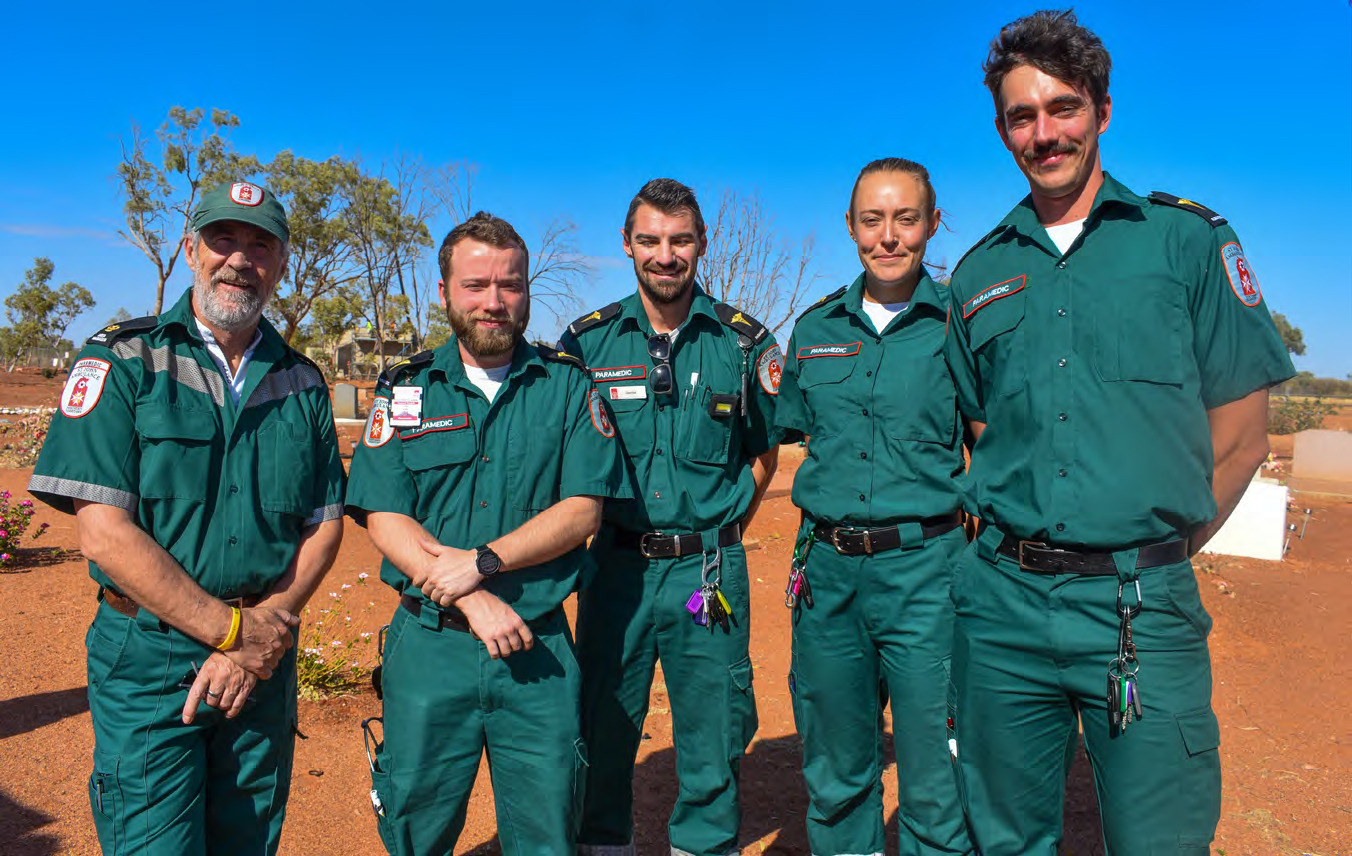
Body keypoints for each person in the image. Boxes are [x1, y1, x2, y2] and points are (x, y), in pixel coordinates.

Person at [942, 11, 1297, 854]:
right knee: (1004, 838)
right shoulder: (980, 271)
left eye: (1062, 108)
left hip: (1143, 608)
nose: (1043, 132)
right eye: (1021, 117)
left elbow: (1243, 437)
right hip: (1001, 607)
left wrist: (1149, 554)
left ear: (1101, 110)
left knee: (1160, 839)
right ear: (1001, 131)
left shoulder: (1186, 241)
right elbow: (987, 430)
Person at [29, 181, 346, 853]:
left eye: (260, 245)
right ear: (188, 250)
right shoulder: (122, 360)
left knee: (248, 840)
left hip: (264, 655)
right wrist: (233, 633)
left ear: (282, 263)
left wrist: (261, 636)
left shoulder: (304, 381)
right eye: (222, 239)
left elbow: (324, 525)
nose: (240, 259)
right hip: (151, 659)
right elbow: (104, 533)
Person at [344, 212, 629, 855]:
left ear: (527, 290)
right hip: (429, 645)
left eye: (510, 285)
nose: (494, 302)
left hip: (536, 646)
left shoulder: (565, 386)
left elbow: (583, 510)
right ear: (444, 291)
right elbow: (385, 514)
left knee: (546, 828)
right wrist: (471, 593)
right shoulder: (405, 388)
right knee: (415, 824)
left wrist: (485, 561)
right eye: (476, 285)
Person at [559, 178, 781, 856]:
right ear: (627, 245)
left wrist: (723, 526)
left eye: (680, 240)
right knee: (602, 728)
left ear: (701, 245)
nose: (665, 254)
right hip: (616, 571)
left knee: (713, 734)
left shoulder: (743, 344)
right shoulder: (586, 344)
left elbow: (764, 453)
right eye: (650, 240)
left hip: (707, 573)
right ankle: (604, 845)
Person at [774, 158, 972, 856]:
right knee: (836, 770)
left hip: (929, 575)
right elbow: (783, 439)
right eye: (871, 220)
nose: (888, 237)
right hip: (828, 577)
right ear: (851, 227)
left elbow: (995, 445)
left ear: (932, 224)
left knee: (936, 773)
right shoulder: (813, 328)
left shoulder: (962, 324)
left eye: (906, 218)